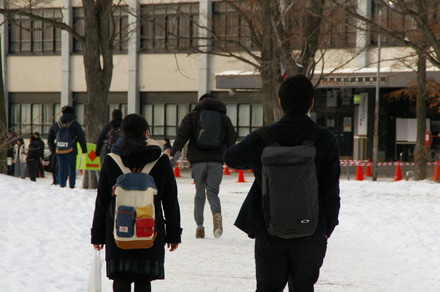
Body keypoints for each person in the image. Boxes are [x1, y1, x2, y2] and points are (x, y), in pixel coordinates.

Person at [224, 74, 341, 292]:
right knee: (303, 287)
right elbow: (330, 188)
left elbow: (231, 158)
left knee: (268, 288)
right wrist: (329, 226)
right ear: (311, 103)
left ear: (280, 103)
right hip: (312, 228)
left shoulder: (264, 136)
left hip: (269, 228)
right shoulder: (325, 138)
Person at [91, 113, 182, 292]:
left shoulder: (111, 160)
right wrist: (173, 234)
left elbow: (102, 200)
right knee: (143, 280)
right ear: (146, 132)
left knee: (120, 278)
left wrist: (97, 235)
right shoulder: (161, 160)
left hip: (117, 230)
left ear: (122, 134)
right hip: (150, 228)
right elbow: (170, 200)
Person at [170, 93, 237, 239]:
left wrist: (174, 154)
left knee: (199, 193)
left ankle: (200, 227)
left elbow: (182, 136)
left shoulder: (192, 116)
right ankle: (217, 216)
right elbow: (232, 138)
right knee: (212, 192)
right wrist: (225, 152)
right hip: (217, 161)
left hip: (198, 161)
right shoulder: (223, 118)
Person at [47, 105, 87, 189]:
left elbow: (50, 138)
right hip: (71, 150)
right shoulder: (75, 124)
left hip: (60, 150)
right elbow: (81, 137)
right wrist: (84, 150)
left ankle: (62, 185)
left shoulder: (57, 124)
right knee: (72, 168)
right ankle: (72, 186)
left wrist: (53, 150)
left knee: (61, 168)